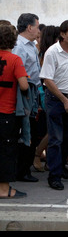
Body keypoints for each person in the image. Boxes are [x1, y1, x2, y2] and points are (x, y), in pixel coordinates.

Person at [39, 20, 68, 190]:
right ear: (62, 34)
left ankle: (60, 164)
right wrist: (64, 100)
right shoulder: (52, 53)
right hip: (57, 99)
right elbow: (47, 80)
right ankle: (54, 176)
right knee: (56, 138)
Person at [0, 25, 29, 198]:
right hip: (6, 112)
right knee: (6, 151)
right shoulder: (15, 59)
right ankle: (4, 189)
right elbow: (24, 85)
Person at [13, 13, 41, 183]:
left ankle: (25, 168)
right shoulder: (19, 46)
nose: (38, 30)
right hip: (25, 93)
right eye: (37, 26)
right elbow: (19, 73)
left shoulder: (30, 45)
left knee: (32, 130)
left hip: (34, 92)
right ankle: (21, 170)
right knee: (26, 130)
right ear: (29, 27)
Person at [33, 25, 61, 172]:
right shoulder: (47, 54)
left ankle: (46, 157)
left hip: (50, 91)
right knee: (53, 129)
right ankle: (37, 154)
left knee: (52, 128)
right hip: (47, 92)